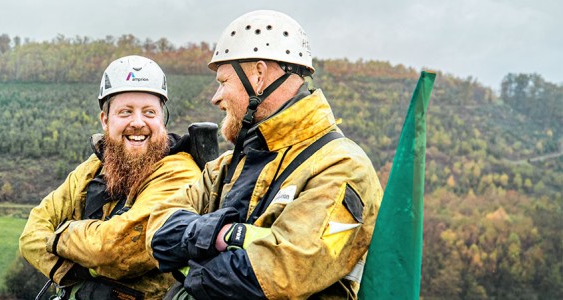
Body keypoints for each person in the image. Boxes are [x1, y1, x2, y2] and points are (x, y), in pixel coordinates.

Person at [146, 10, 384, 299]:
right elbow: (157, 232)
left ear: (258, 75)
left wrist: (189, 261)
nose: (216, 98)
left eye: (223, 82)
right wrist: (223, 237)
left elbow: (281, 274)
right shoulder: (226, 167)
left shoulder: (341, 166)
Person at [20, 55, 201, 299]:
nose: (138, 123)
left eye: (149, 112)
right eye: (125, 112)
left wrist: (62, 235)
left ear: (162, 119)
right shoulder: (94, 168)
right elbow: (31, 234)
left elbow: (116, 249)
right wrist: (79, 269)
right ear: (105, 120)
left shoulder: (179, 173)